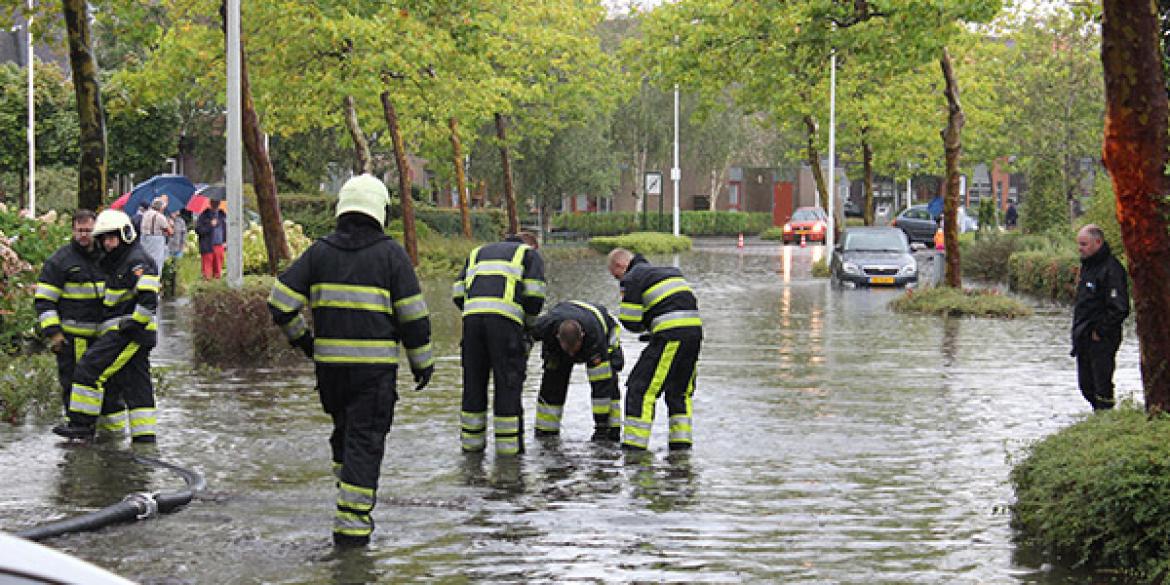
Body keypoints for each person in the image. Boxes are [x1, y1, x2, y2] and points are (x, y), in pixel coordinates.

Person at [268, 174, 434, 547]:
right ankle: (352, 534)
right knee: (365, 442)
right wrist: (422, 365)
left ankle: (347, 498)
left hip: (330, 375)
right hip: (372, 376)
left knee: (344, 436)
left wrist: (307, 343)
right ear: (380, 210)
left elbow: (279, 302)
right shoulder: (392, 255)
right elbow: (414, 318)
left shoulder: (319, 252)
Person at [53, 209, 160, 442]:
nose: (109, 244)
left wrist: (134, 323)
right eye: (104, 239)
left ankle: (81, 426)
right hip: (126, 332)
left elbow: (149, 297)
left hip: (129, 333)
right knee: (134, 383)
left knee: (89, 369)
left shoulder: (136, 261)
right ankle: (143, 438)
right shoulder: (118, 262)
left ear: (125, 235)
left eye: (113, 238)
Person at [452, 231, 545, 456]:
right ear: (533, 246)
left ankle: (471, 449)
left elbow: (457, 293)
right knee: (508, 385)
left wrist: (475, 312)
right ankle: (508, 455)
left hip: (472, 323)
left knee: (473, 384)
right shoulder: (528, 255)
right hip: (506, 325)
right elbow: (534, 297)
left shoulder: (477, 253)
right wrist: (529, 327)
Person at [607, 248, 702, 451]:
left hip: (670, 335)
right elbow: (672, 305)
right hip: (694, 334)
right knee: (679, 392)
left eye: (616, 277)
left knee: (639, 389)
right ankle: (681, 449)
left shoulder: (632, 277)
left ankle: (634, 451)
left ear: (620, 266)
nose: (618, 281)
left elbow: (630, 320)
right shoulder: (669, 271)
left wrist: (645, 327)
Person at [34, 210, 106, 415]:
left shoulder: (106, 257)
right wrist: (54, 334)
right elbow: (44, 301)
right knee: (72, 384)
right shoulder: (59, 261)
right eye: (80, 230)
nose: (84, 235)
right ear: (73, 231)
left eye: (88, 231)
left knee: (105, 385)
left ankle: (100, 430)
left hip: (103, 338)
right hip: (72, 340)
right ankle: (77, 429)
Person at [530, 300, 624, 441]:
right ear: (558, 337)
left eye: (575, 349)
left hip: (602, 330)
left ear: (582, 336)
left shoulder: (594, 337)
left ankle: (610, 430)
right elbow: (523, 336)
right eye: (569, 350)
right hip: (558, 336)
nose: (572, 354)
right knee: (552, 384)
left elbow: (601, 387)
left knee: (607, 381)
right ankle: (546, 432)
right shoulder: (545, 326)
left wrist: (601, 428)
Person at [1072, 224, 1130, 411]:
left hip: (1102, 337)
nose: (1080, 248)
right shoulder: (1087, 266)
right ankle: (1099, 415)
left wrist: (1100, 331)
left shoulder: (1112, 269)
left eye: (1084, 244)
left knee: (1101, 384)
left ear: (1098, 242)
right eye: (1079, 244)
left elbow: (1120, 308)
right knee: (1085, 385)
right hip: (1083, 335)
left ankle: (1106, 418)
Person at [140, 196, 172, 275]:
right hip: (156, 241)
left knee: (145, 260)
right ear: (161, 207)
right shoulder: (160, 216)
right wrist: (170, 223)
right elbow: (170, 232)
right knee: (156, 262)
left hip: (144, 239)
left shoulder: (146, 214)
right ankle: (155, 280)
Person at [195, 199, 227, 279]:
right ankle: (206, 287)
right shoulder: (203, 215)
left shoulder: (222, 215)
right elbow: (199, 230)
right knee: (207, 271)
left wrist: (225, 240)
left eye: (217, 201)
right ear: (210, 203)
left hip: (219, 246)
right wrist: (210, 225)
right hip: (207, 246)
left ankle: (216, 288)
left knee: (218, 271)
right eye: (214, 201)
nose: (216, 203)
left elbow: (225, 229)